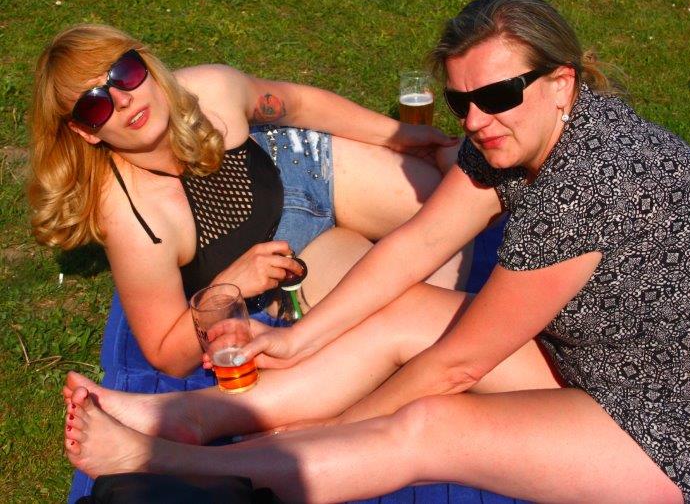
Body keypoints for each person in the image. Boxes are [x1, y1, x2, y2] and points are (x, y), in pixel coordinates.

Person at [62, 0, 690, 503]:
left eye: (499, 94)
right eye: (462, 101)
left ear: (561, 82)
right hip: (599, 357)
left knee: (428, 425)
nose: (478, 119)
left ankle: (196, 462)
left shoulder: (587, 186)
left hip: (676, 429)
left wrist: (328, 431)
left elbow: (457, 365)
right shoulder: (516, 135)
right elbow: (417, 242)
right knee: (405, 307)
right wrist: (296, 338)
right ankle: (190, 417)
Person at [29, 23, 467, 379]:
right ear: (84, 131)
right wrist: (232, 284)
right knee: (408, 321)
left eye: (123, 73)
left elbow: (298, 104)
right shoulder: (134, 219)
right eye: (94, 106)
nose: (123, 100)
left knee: (456, 197)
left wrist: (399, 135)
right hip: (296, 258)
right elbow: (166, 353)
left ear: (144, 63)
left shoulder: (207, 90)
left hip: (304, 166)